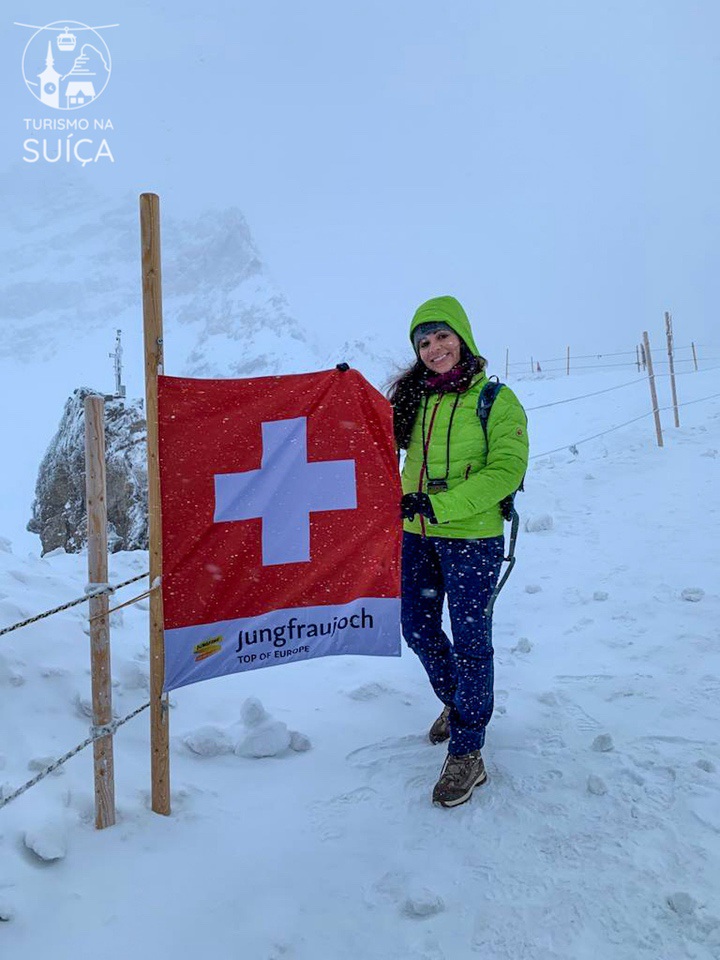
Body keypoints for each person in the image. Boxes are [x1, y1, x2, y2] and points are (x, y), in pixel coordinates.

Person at [389, 295, 528, 807]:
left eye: (442, 336)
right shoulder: (414, 400)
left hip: (472, 539)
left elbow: (506, 471)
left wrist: (441, 506)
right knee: (419, 628)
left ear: (463, 337)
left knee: (471, 640)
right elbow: (363, 441)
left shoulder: (495, 399)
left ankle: (468, 750)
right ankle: (460, 701)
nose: (434, 349)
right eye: (423, 342)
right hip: (417, 537)